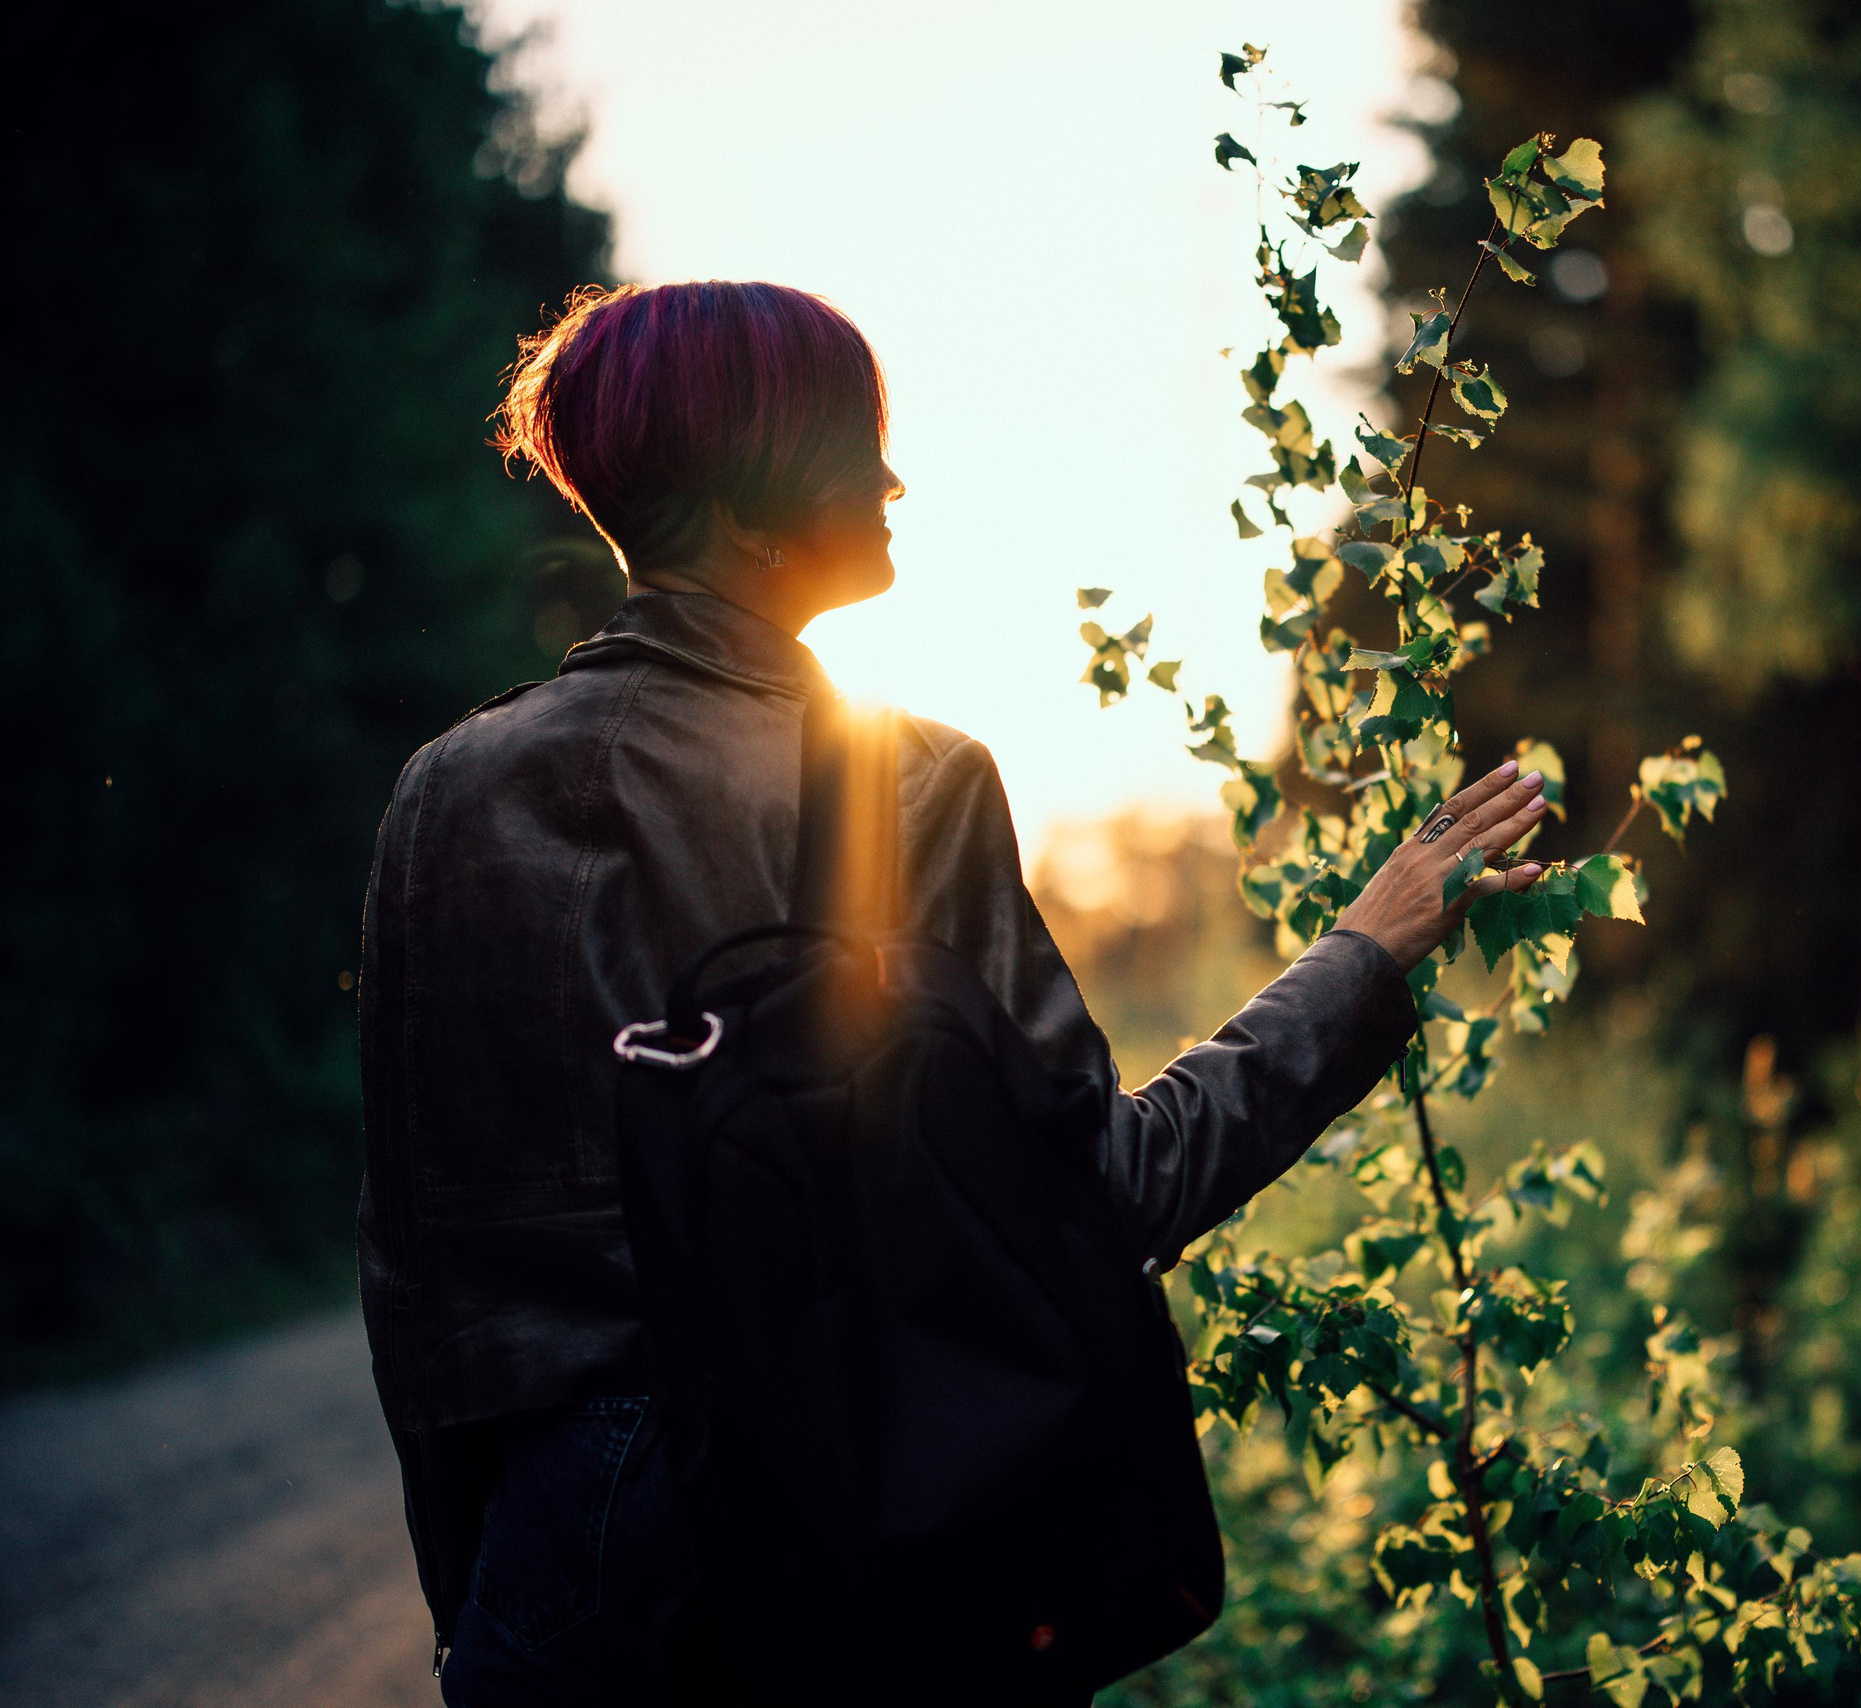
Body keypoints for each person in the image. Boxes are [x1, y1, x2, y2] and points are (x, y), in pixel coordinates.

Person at [357, 280, 1553, 1704]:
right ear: (749, 499)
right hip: (840, 1512)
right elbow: (1104, 1196)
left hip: (559, 1550)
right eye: (857, 441)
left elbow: (423, 1286)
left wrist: (482, 1590)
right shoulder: (897, 782)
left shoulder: (444, 793)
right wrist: (1364, 955)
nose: (894, 478)